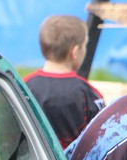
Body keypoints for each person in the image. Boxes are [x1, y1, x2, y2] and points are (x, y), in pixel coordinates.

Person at [24, 15, 106, 149]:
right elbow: (102, 140)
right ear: (74, 52)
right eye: (85, 45)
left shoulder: (24, 86)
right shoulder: (88, 93)